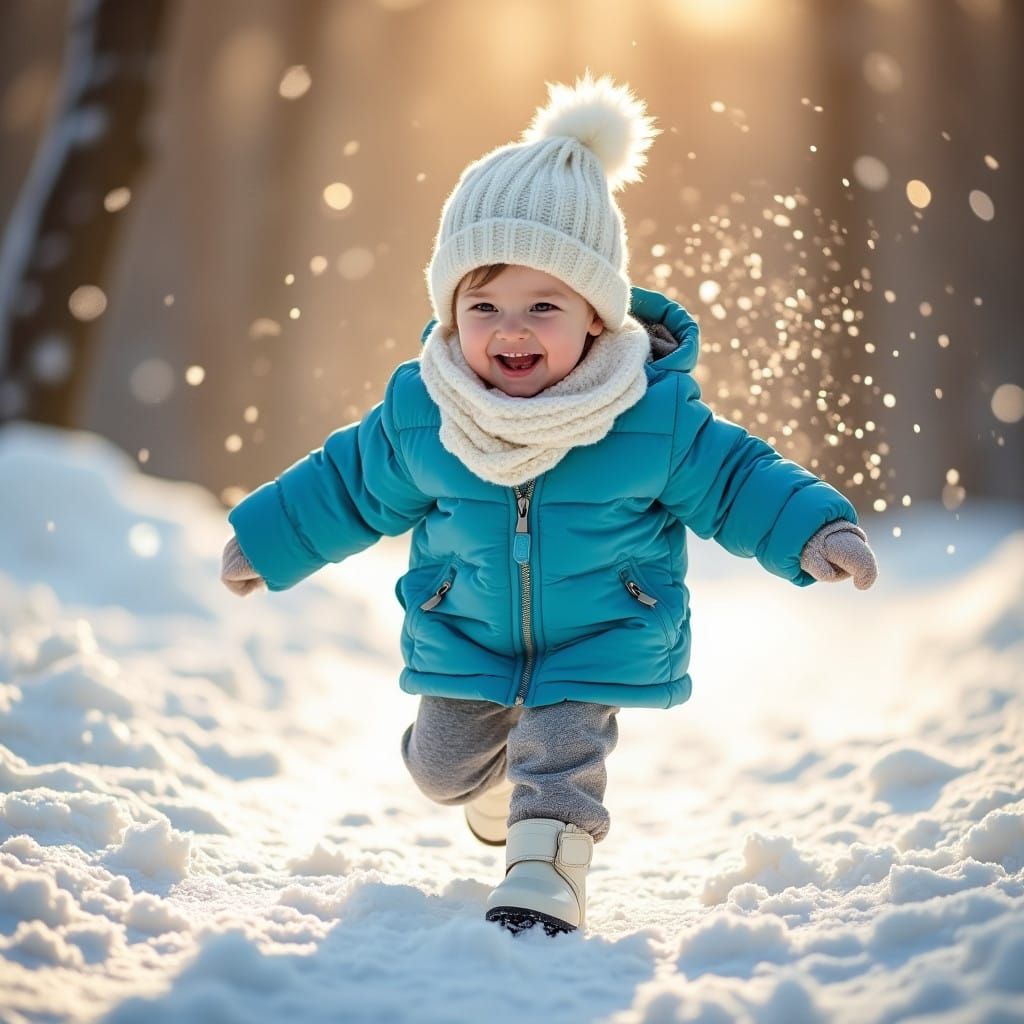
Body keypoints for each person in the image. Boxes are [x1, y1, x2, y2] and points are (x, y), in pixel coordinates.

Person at [221, 73, 878, 937]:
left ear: (597, 319)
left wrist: (816, 529)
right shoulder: (425, 410)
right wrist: (265, 542)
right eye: (483, 304)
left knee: (559, 759)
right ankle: (494, 792)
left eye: (544, 305)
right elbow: (346, 483)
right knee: (440, 771)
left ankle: (547, 870)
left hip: (600, 631)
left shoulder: (650, 415)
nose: (511, 329)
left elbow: (734, 479)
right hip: (467, 633)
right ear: (451, 313)